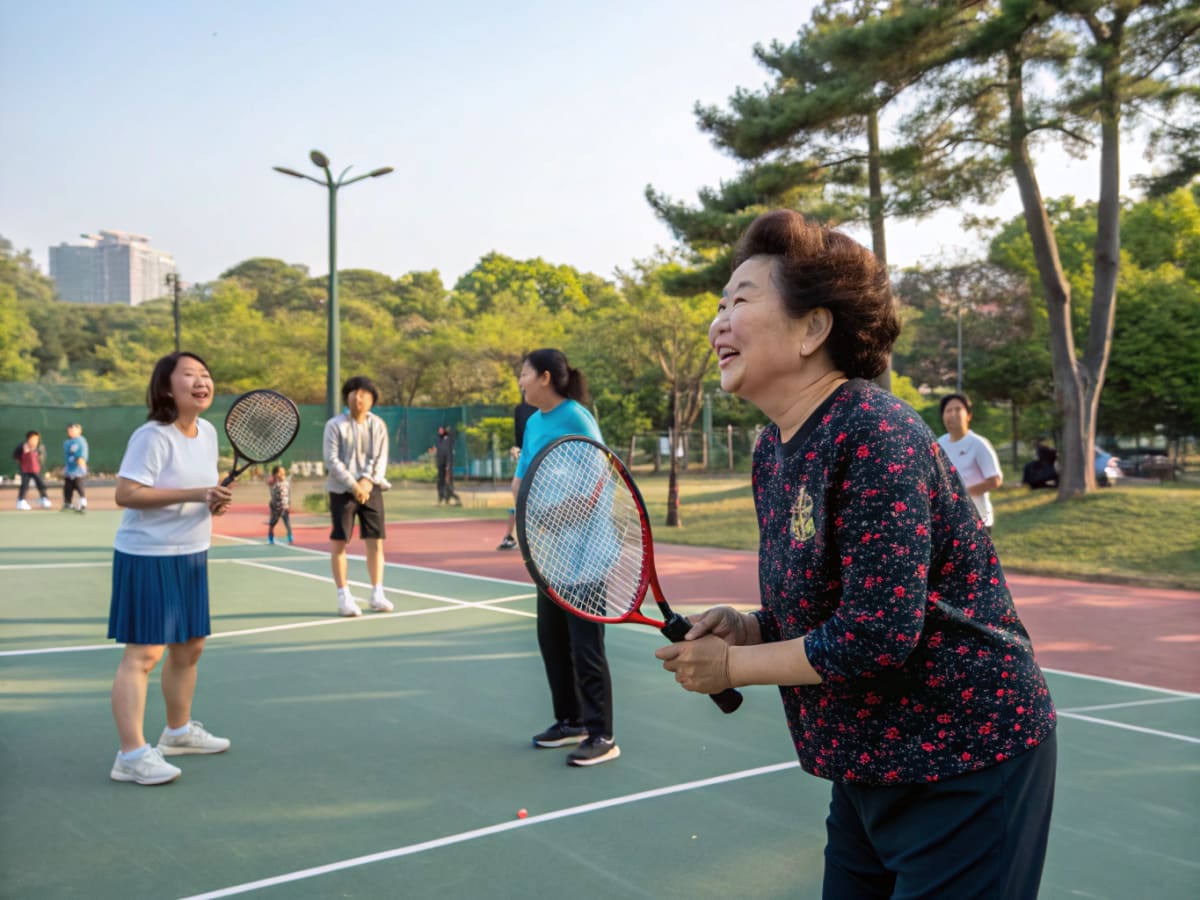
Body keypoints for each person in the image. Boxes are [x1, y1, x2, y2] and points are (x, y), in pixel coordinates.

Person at [656, 210, 1057, 897]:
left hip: (966, 758)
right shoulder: (773, 449)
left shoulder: (875, 429)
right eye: (718, 306)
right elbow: (832, 604)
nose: (718, 323)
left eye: (740, 301)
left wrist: (732, 666)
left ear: (814, 327)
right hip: (869, 765)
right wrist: (752, 627)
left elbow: (877, 632)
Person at [107, 351, 236, 786]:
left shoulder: (208, 433)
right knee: (144, 655)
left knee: (190, 647)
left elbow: (198, 495)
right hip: (148, 555)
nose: (201, 381)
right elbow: (127, 493)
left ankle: (178, 733)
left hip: (191, 552)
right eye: (189, 375)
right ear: (166, 387)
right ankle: (130, 755)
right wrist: (197, 493)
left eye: (206, 374)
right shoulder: (152, 436)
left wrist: (211, 502)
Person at [514, 349, 619, 767]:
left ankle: (602, 734)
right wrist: (522, 513)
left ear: (544, 377)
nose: (519, 382)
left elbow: (600, 477)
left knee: (586, 647)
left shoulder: (577, 417)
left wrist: (558, 514)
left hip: (587, 555)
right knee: (552, 641)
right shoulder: (533, 422)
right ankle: (571, 721)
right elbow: (522, 476)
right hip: (550, 557)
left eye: (523, 374)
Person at [323, 374, 394, 617]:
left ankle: (377, 593)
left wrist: (366, 482)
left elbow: (380, 458)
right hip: (341, 490)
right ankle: (344, 596)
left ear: (372, 399)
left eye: (364, 393)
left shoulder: (378, 425)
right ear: (347, 398)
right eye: (354, 393)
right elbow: (332, 460)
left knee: (376, 541)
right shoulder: (334, 425)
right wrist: (353, 484)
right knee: (340, 542)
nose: (358, 398)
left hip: (371, 488)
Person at [937, 392, 1004, 532]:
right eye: (948, 410)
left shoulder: (978, 444)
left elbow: (995, 480)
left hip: (977, 519)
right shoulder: (939, 444)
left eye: (958, 409)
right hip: (950, 520)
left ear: (968, 416)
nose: (953, 414)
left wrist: (961, 494)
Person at [497, 400, 536, 550]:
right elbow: (519, 435)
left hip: (538, 460)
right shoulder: (521, 410)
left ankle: (518, 536)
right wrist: (517, 448)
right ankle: (511, 536)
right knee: (519, 499)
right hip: (526, 458)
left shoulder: (543, 411)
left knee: (525, 502)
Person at [15, 431, 52, 510]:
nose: (34, 441)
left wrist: (35, 454)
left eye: (36, 439)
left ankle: (44, 499)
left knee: (41, 484)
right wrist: (25, 456)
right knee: (24, 486)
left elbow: (42, 458)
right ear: (28, 439)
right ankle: (21, 501)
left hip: (36, 470)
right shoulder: (22, 447)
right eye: (32, 439)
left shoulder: (40, 447)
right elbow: (16, 457)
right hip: (25, 470)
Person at [62, 422, 89, 513]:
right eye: (69, 430)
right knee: (68, 487)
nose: (71, 432)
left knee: (79, 486)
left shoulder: (81, 441)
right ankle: (68, 503)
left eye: (73, 430)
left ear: (79, 431)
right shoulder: (67, 443)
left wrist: (81, 462)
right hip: (69, 470)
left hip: (78, 470)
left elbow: (81, 456)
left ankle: (83, 504)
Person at [433, 425, 462, 506]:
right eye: (439, 430)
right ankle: (440, 499)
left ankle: (453, 498)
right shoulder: (438, 440)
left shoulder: (449, 439)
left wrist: (448, 464)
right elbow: (438, 451)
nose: (440, 431)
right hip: (440, 464)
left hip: (447, 465)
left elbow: (448, 452)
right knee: (440, 483)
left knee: (448, 483)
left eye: (442, 430)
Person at [267, 464, 294, 544]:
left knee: (287, 522)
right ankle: (270, 536)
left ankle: (290, 536)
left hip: (284, 506)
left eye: (283, 472)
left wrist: (289, 504)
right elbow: (269, 482)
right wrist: (274, 478)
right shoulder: (273, 482)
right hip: (275, 507)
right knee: (273, 523)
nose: (282, 473)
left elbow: (288, 493)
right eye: (280, 472)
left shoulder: (286, 482)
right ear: (275, 474)